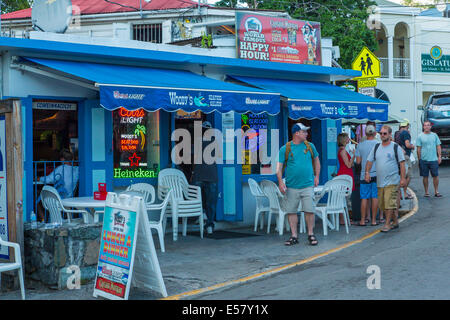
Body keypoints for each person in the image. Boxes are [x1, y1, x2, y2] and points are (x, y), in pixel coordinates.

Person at [277, 123, 320, 246]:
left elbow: (317, 161)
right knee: (291, 211)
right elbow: (279, 168)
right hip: (291, 186)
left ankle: (310, 234)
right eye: (304, 131)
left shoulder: (310, 146)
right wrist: (280, 181)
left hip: (307, 184)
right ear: (297, 133)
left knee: (309, 210)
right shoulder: (285, 148)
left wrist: (316, 176)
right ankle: (294, 235)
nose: (306, 133)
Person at [365, 125, 406, 233]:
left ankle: (387, 224)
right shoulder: (376, 147)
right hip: (380, 182)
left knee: (389, 203)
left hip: (392, 181)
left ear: (389, 134)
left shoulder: (395, 147)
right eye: (381, 133)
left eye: (384, 133)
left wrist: (402, 179)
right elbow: (369, 161)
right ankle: (395, 220)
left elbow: (402, 164)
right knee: (382, 205)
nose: (382, 135)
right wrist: (367, 173)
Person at [191, 121, 218, 234]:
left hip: (201, 174)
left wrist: (192, 171)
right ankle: (209, 224)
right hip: (211, 175)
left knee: (199, 200)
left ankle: (202, 219)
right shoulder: (216, 142)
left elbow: (193, 158)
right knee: (210, 202)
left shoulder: (197, 142)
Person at [355, 125, 379, 226]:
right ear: (374, 133)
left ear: (365, 133)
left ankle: (362, 220)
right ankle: (373, 220)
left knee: (364, 198)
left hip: (364, 174)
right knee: (375, 197)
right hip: (376, 174)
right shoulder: (379, 144)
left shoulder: (360, 145)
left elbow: (358, 161)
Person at [416, 120, 442, 197]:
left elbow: (438, 146)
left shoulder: (434, 135)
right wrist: (419, 159)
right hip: (424, 160)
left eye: (428, 125)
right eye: (425, 125)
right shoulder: (420, 136)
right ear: (423, 127)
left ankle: (436, 191)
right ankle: (426, 192)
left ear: (430, 126)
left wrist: (439, 156)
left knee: (435, 176)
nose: (427, 126)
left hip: (433, 159)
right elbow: (418, 148)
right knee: (425, 176)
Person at [397, 120, 414, 199]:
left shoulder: (397, 133)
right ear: (407, 125)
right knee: (408, 175)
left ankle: (399, 194)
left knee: (400, 175)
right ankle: (404, 193)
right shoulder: (406, 133)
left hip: (398, 156)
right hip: (406, 156)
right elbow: (407, 145)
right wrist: (412, 146)